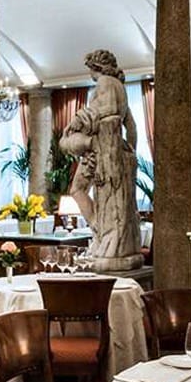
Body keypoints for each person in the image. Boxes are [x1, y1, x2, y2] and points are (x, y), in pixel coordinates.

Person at [59, 49, 142, 269]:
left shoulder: (105, 82)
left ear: (96, 67)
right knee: (119, 201)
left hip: (102, 150)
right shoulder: (120, 88)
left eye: (90, 69)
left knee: (77, 190)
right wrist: (130, 150)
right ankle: (106, 235)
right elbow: (131, 126)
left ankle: (102, 232)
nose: (90, 74)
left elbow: (99, 112)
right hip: (118, 151)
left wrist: (75, 123)